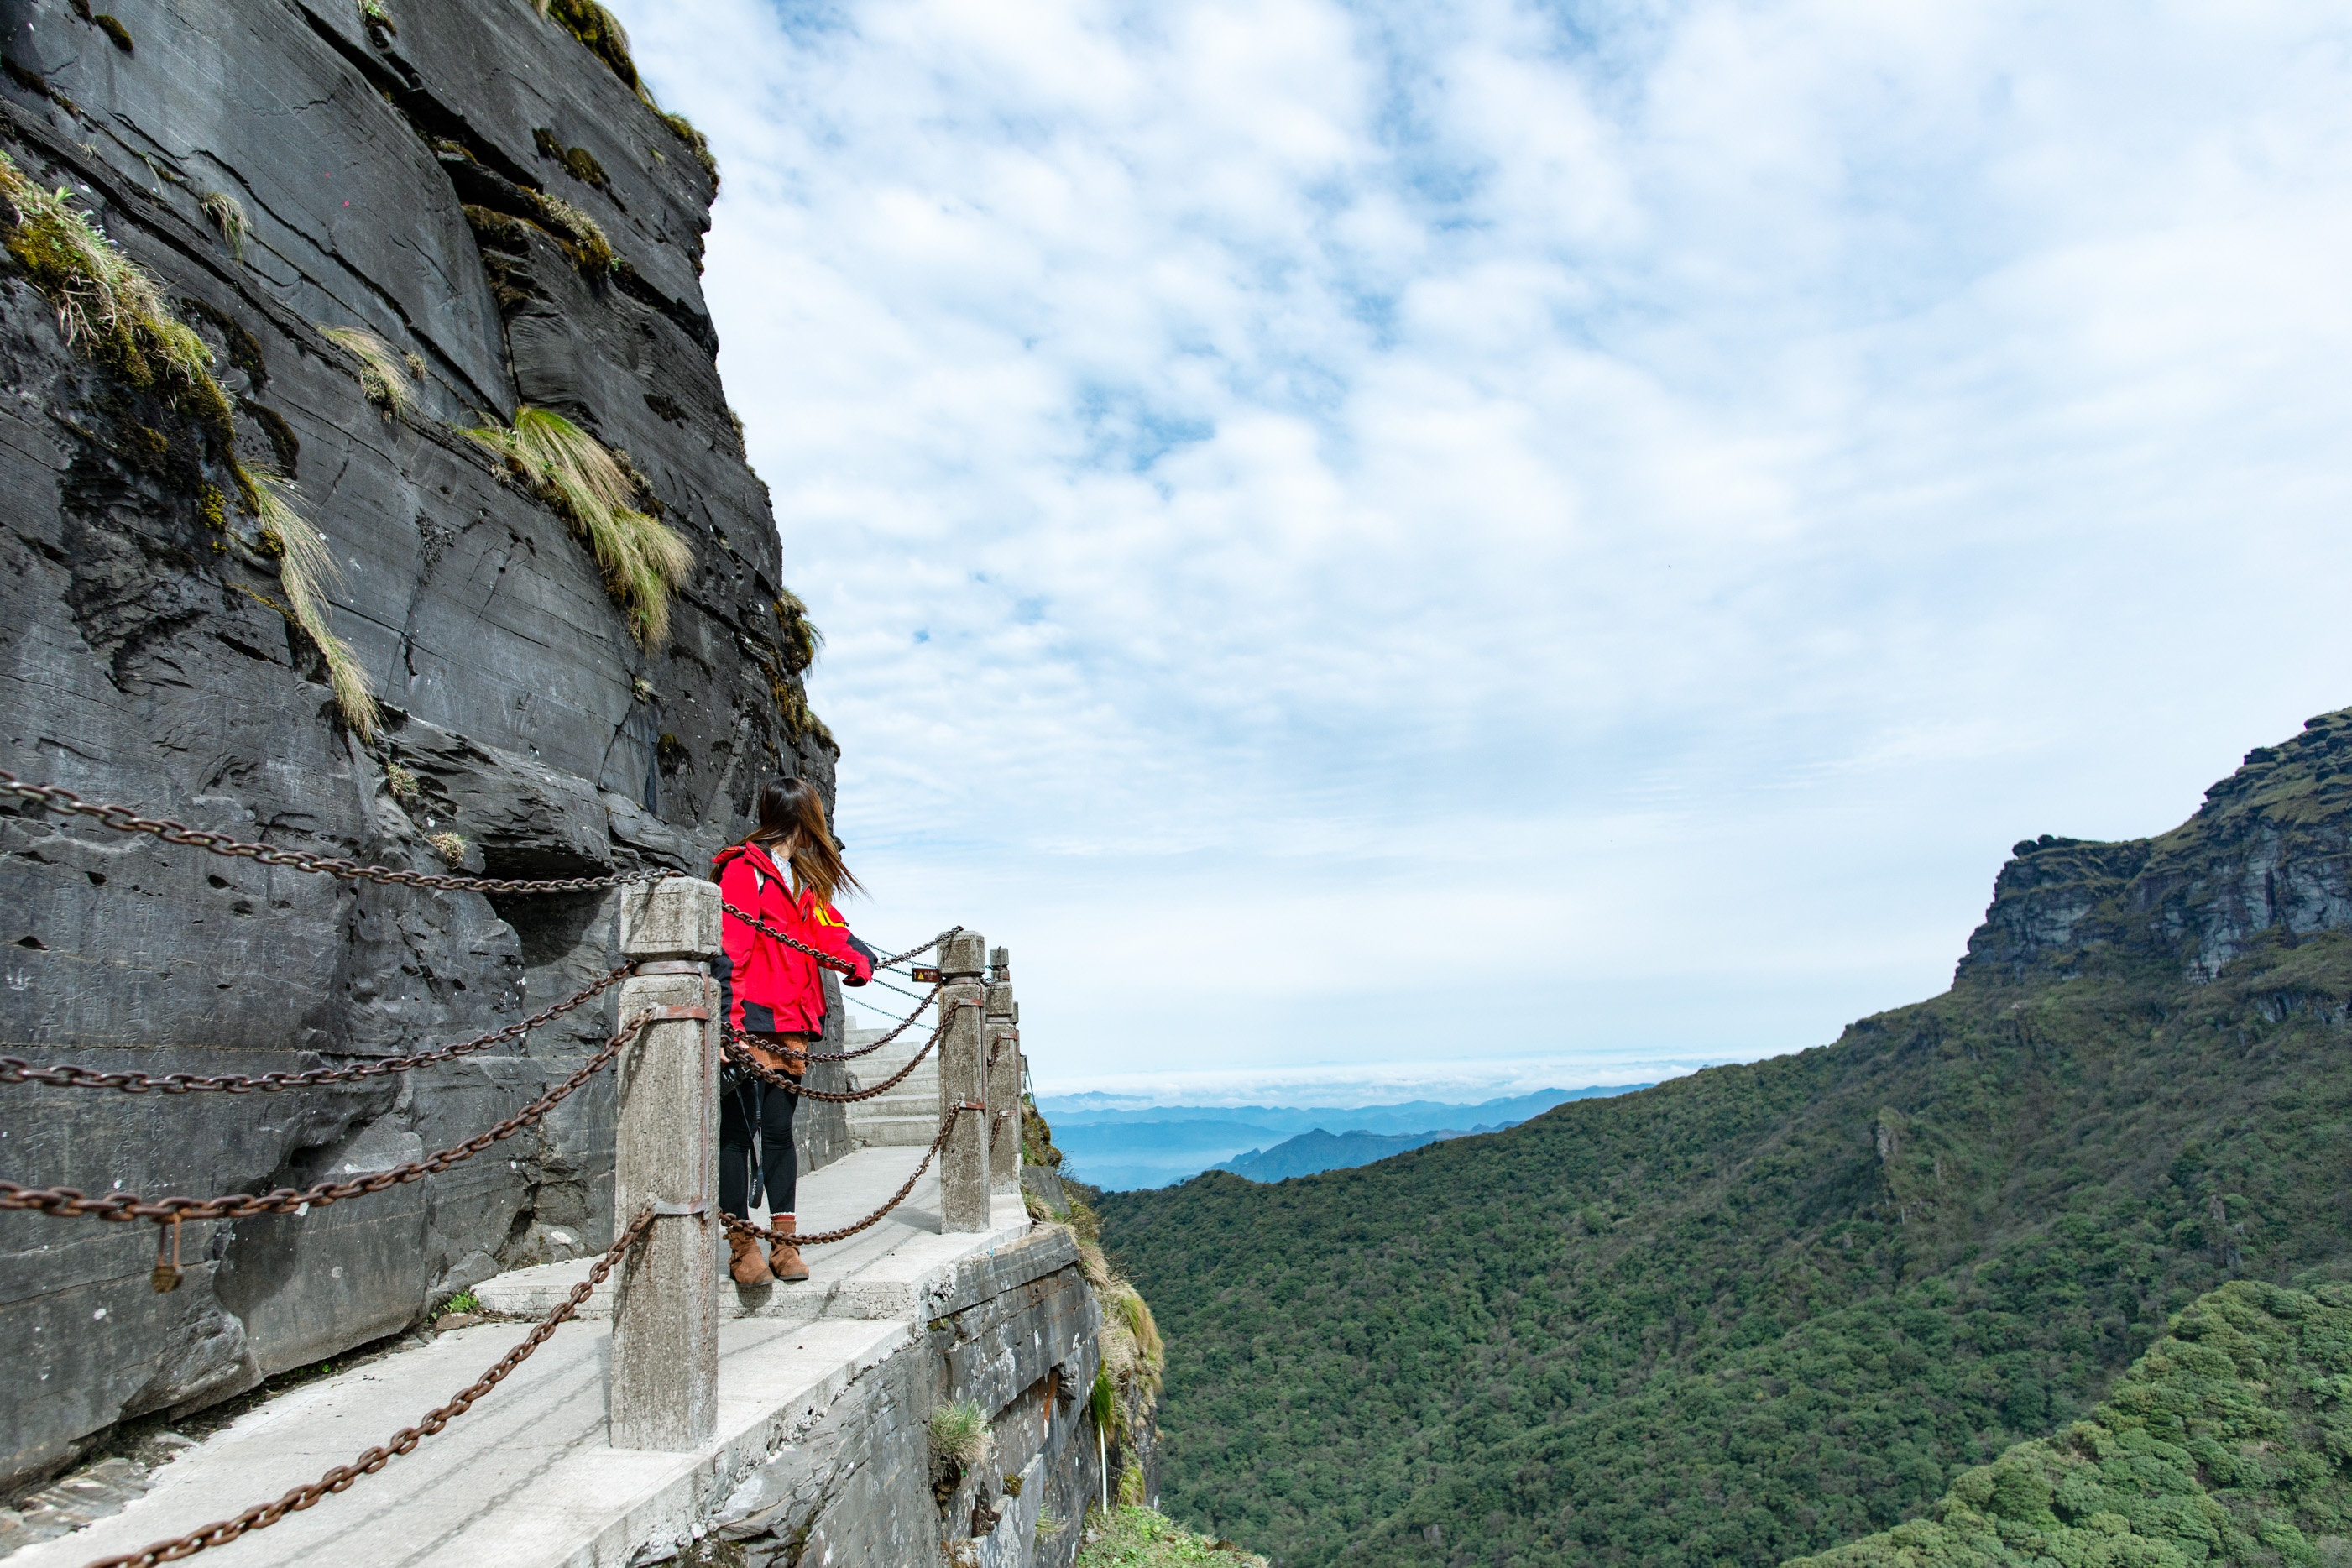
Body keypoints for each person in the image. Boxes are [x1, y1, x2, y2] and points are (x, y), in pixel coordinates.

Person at [712, 779, 873, 1285]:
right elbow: (729, 949)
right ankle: (743, 1248)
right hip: (751, 1019)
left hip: (793, 1024)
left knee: (780, 1133)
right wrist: (723, 1025)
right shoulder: (743, 872)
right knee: (737, 1133)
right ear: (804, 819)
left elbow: (827, 930)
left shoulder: (803, 880)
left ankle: (784, 1244)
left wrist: (860, 960)